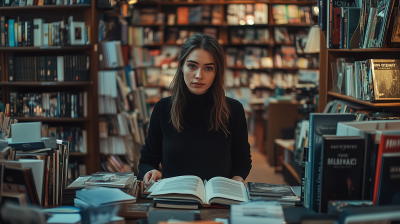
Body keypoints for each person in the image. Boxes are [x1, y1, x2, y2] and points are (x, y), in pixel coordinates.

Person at [138, 33, 252, 186]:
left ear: (217, 72)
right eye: (192, 66)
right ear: (182, 67)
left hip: (217, 202)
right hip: (173, 200)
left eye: (208, 68)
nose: (199, 75)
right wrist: (149, 172)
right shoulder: (163, 108)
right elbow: (147, 160)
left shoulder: (234, 110)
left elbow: (242, 162)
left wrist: (238, 177)